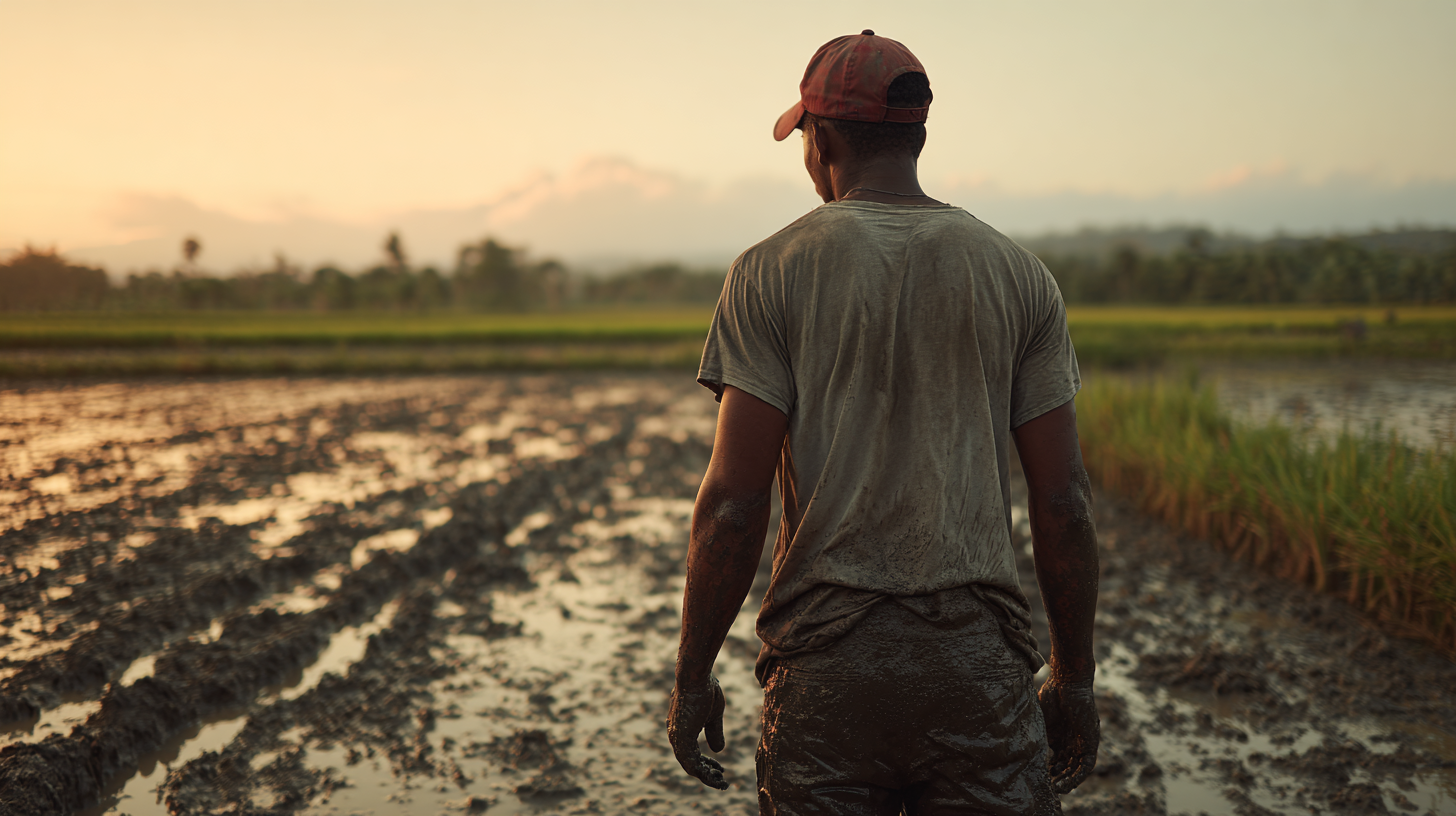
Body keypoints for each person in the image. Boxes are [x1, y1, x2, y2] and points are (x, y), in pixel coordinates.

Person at [667, 30, 1100, 815]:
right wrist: (1075, 677)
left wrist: (692, 677)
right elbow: (1065, 501)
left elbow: (733, 504)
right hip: (978, 672)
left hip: (828, 675)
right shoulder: (1017, 274)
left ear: (821, 141)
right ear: (917, 135)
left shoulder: (769, 271)